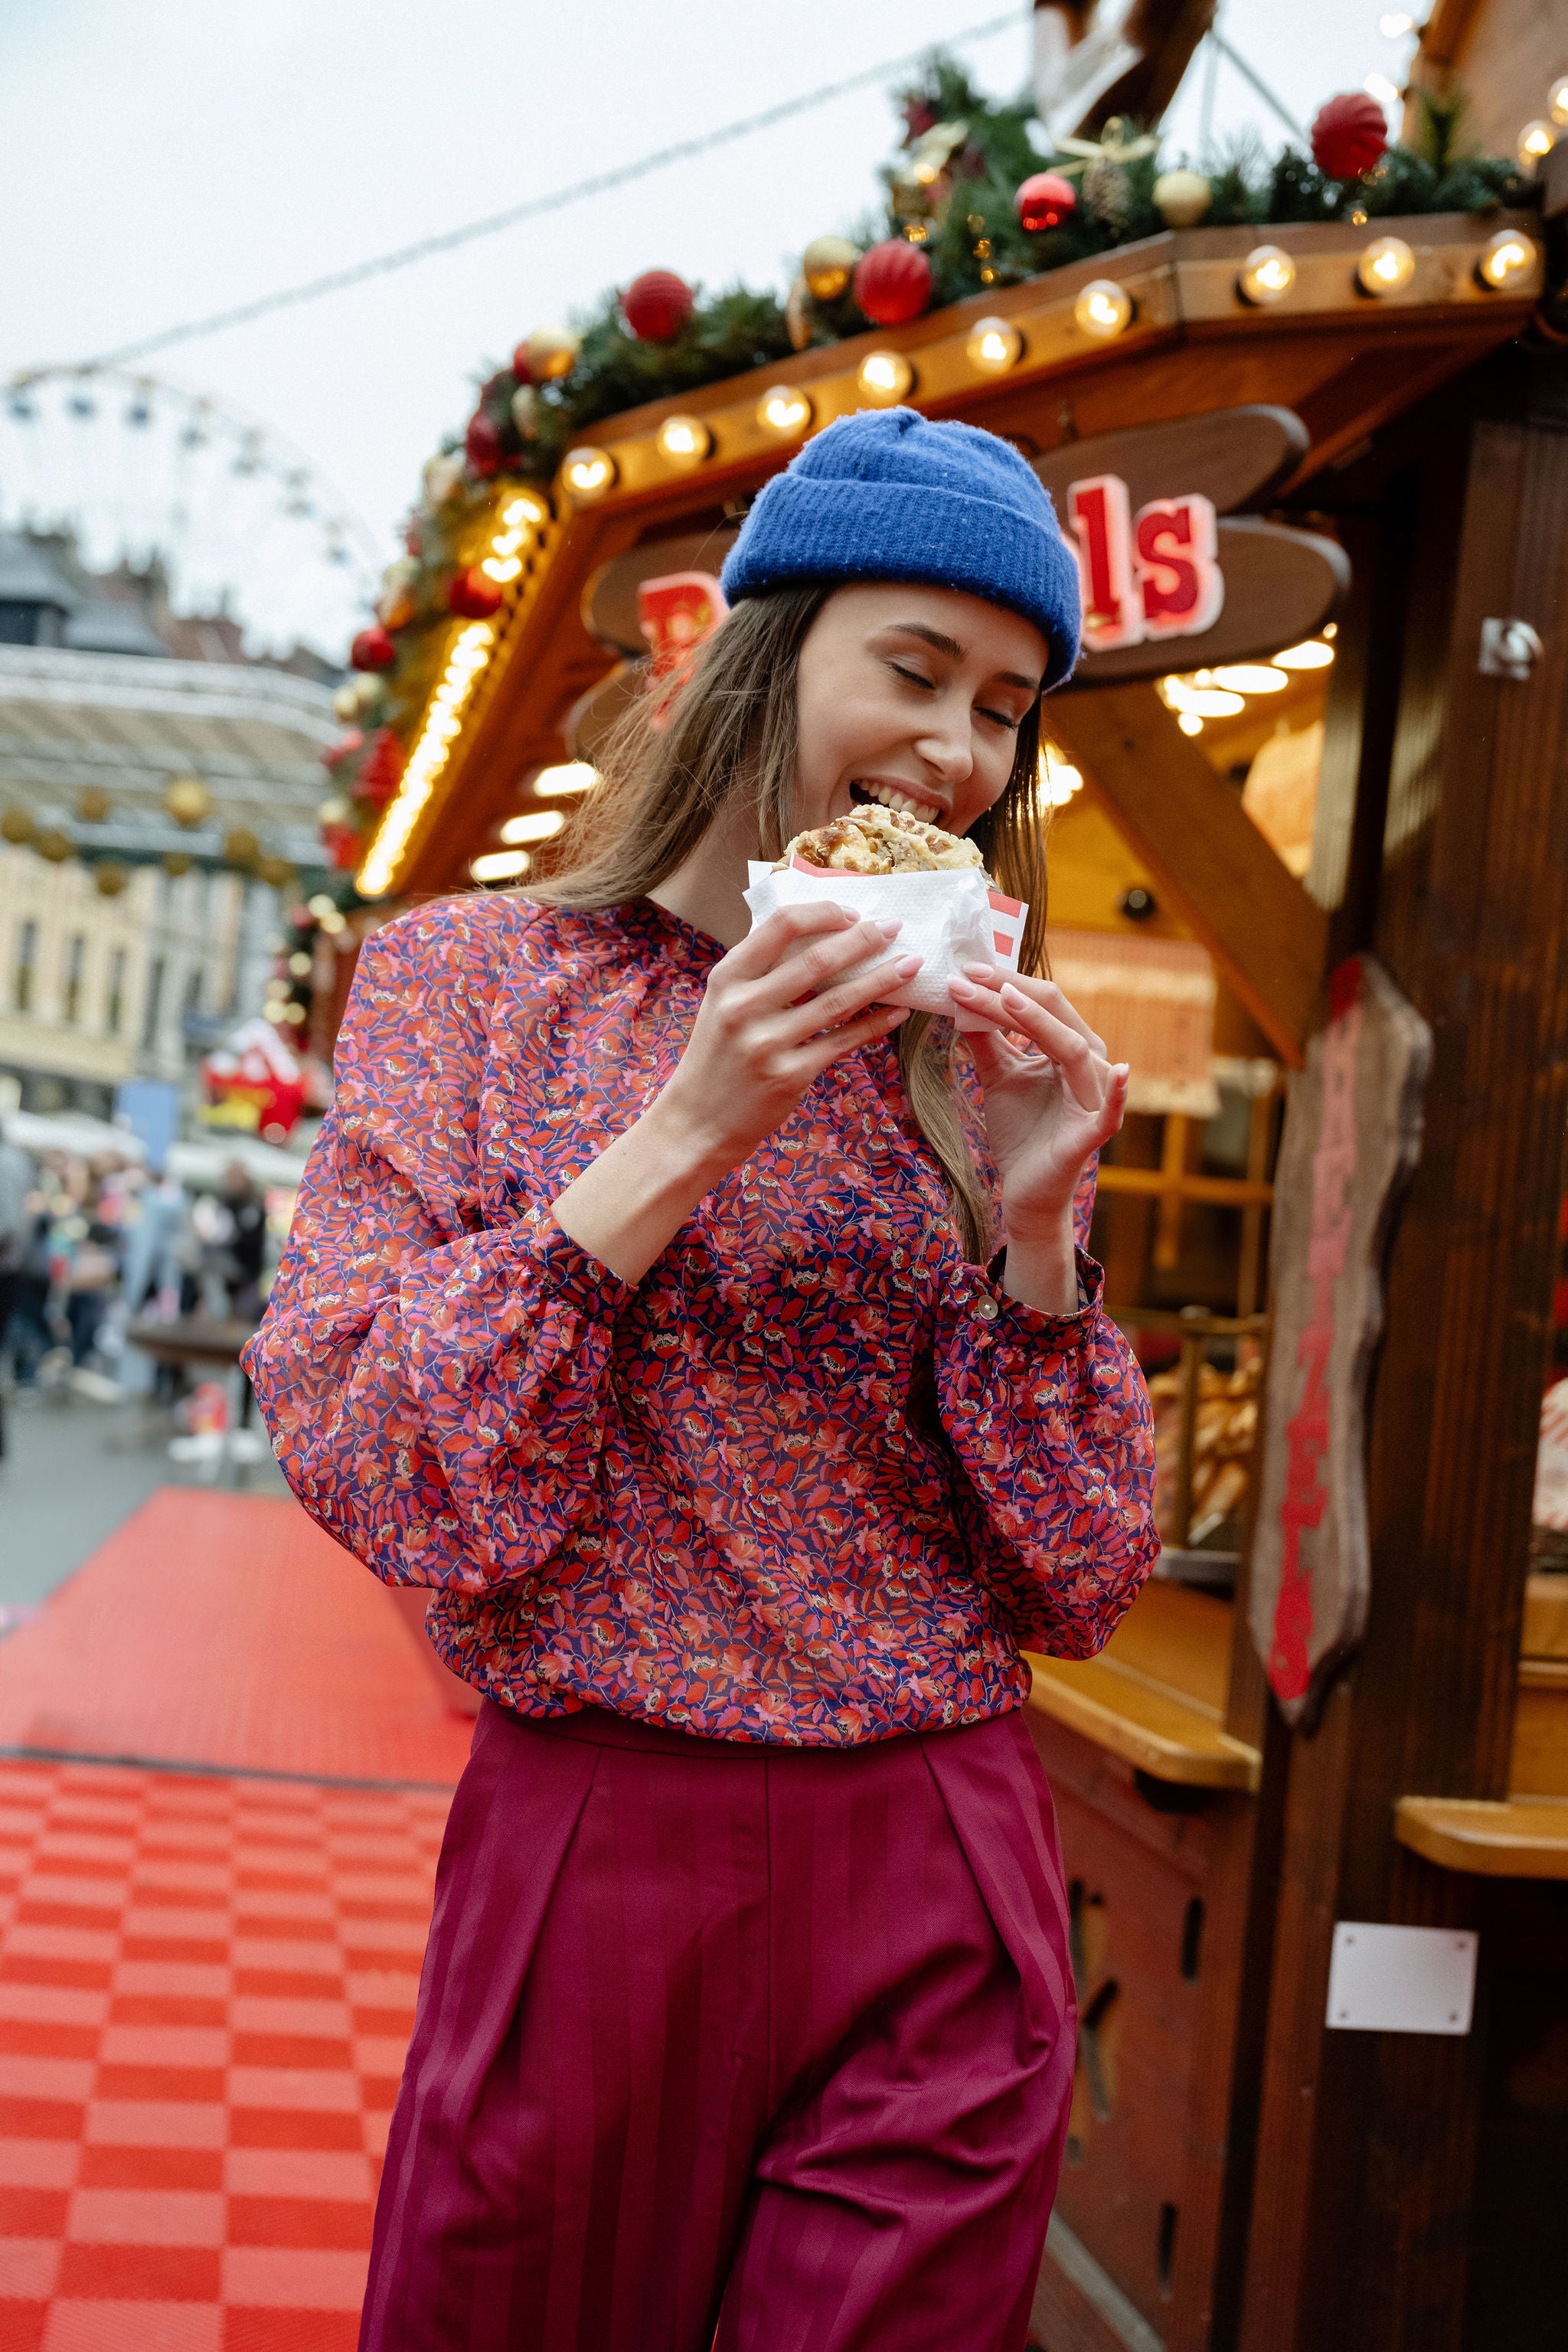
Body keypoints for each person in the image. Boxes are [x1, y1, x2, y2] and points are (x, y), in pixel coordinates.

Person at [245, 408, 1158, 2352]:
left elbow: (1084, 1576)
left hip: (934, 1843)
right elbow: (380, 1465)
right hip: (598, 1848)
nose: (953, 750)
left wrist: (1036, 1237)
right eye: (910, 671)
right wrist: (686, 1129)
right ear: (764, 663)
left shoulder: (976, 1043)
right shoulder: (469, 983)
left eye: (1002, 709)